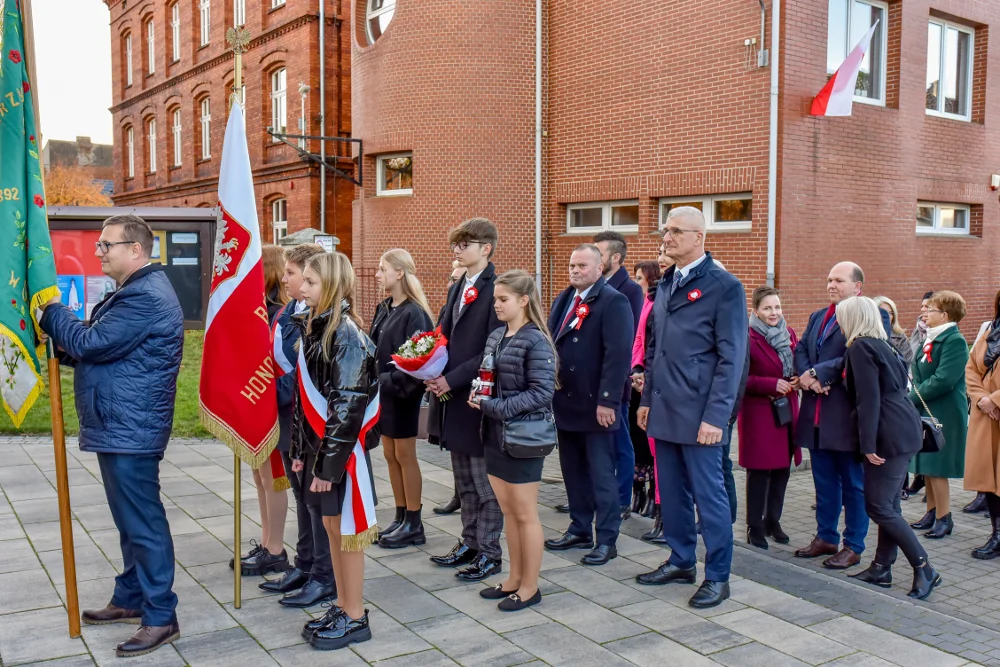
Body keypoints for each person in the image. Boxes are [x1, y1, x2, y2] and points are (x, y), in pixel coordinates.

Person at [41, 214, 183, 656]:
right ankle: (130, 597)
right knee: (129, 521)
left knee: (142, 522)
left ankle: (161, 616)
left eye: (107, 245)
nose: (98, 252)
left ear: (136, 249)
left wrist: (52, 311)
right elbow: (101, 349)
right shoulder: (134, 291)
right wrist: (72, 342)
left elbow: (90, 343)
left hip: (131, 427)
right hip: (122, 423)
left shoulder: (144, 296)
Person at [635, 206, 748, 608]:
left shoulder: (724, 286)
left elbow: (731, 358)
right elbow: (655, 349)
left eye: (676, 231)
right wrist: (647, 399)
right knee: (673, 493)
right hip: (665, 409)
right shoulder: (666, 283)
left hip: (702, 415)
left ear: (700, 237)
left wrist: (717, 417)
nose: (666, 238)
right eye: (665, 231)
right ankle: (681, 560)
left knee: (709, 496)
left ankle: (718, 576)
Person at [292, 252, 380, 651]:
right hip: (320, 450)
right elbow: (303, 397)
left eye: (310, 283)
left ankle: (356, 614)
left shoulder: (345, 336)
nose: (303, 290)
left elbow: (347, 407)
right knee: (331, 528)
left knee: (347, 533)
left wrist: (327, 469)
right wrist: (299, 449)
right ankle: (343, 605)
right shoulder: (315, 328)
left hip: (338, 455)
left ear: (331, 286)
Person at [838, 296, 941, 600]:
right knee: (889, 505)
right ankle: (882, 567)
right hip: (904, 428)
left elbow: (868, 400)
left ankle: (925, 567)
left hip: (888, 434)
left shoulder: (860, 347)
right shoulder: (885, 345)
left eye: (843, 317)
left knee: (879, 506)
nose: (841, 324)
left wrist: (868, 444)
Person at [792, 262, 889, 570]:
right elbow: (802, 349)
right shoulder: (818, 316)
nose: (831, 285)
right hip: (816, 416)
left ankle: (854, 545)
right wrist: (807, 375)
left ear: (858, 286)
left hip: (845, 416)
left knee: (853, 484)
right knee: (823, 482)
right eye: (829, 279)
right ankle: (826, 537)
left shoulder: (874, 314)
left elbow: (856, 352)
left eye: (839, 280)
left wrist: (820, 374)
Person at [471, 270, 557, 611]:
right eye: (495, 300)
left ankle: (530, 586)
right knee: (508, 511)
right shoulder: (497, 336)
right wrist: (480, 395)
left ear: (524, 300)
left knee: (525, 514)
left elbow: (541, 392)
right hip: (495, 432)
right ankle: (513, 579)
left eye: (503, 300)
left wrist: (495, 406)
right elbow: (488, 375)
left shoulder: (536, 340)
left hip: (523, 436)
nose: (497, 306)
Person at [544, 244, 633, 565]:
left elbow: (618, 355)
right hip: (566, 402)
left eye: (582, 265)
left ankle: (606, 539)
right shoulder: (565, 298)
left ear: (599, 269)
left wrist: (609, 400)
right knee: (573, 472)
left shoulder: (614, 301)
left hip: (597, 406)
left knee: (601, 475)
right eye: (572, 265)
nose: (575, 270)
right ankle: (580, 528)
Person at [427, 218, 504, 581]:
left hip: (475, 395)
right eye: (455, 245)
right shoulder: (460, 285)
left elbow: (492, 348)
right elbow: (445, 332)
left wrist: (451, 379)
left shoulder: (496, 288)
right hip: (453, 395)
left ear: (485, 249)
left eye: (464, 244)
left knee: (482, 481)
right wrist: (425, 363)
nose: (457, 250)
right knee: (463, 480)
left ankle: (490, 551)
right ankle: (469, 542)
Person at [260, 243, 336, 607]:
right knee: (301, 497)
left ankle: (323, 573)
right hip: (289, 420)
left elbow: (303, 376)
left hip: (307, 420)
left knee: (315, 502)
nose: (286, 280)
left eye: (294, 275)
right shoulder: (289, 312)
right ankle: (305, 565)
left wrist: (263, 393)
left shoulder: (321, 320)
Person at [371, 249, 435, 548]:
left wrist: (388, 382)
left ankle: (414, 521)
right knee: (389, 455)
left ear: (399, 273)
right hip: (384, 393)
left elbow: (419, 361)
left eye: (382, 269)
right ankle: (399, 515)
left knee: (405, 455)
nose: (377, 274)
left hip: (402, 393)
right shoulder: (385, 307)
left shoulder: (414, 312)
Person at [235, 244, 292, 577]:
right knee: (260, 475)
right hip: (258, 400)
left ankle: (276, 548)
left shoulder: (277, 312)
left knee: (274, 478)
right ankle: (267, 538)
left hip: (275, 404)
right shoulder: (257, 308)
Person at [739, 286, 801, 550]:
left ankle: (773, 520)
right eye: (767, 308)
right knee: (760, 471)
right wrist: (770, 384)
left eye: (777, 307)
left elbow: (795, 364)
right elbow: (740, 378)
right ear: (755, 310)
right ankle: (754, 525)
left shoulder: (789, 334)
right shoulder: (746, 336)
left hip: (786, 411)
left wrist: (799, 378)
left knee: (782, 470)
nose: (774, 313)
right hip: (760, 413)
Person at [908, 290, 968, 540]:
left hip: (944, 411)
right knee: (927, 466)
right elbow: (918, 369)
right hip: (926, 407)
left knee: (938, 466)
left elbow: (944, 379)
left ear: (944, 315)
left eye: (929, 309)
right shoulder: (930, 337)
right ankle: (931, 512)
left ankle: (945, 517)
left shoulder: (954, 341)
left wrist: (911, 397)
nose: (924, 312)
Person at [593, 231, 644, 519]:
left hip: (616, 383)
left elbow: (627, 337)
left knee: (621, 442)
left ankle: (622, 498)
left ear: (615, 257)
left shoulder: (630, 290)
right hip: (592, 381)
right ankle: (594, 494)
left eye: (599, 253)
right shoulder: (593, 285)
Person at [966, 289, 1000, 558]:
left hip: (995, 409)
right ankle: (997, 534)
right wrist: (981, 399)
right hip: (985, 417)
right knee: (989, 478)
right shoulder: (991, 331)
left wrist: (996, 399)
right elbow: (971, 369)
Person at [431, 262, 467, 516]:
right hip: (444, 382)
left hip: (463, 383)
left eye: (455, 280)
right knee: (453, 445)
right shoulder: (448, 307)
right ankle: (459, 493)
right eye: (450, 278)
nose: (449, 284)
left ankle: (465, 494)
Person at [630, 261, 662, 527]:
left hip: (657, 387)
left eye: (640, 278)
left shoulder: (658, 303)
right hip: (641, 384)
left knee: (654, 450)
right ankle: (641, 492)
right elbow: (640, 340)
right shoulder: (643, 304)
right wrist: (637, 368)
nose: (636, 282)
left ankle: (658, 502)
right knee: (641, 443)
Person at [905, 292, 935, 498]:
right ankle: (920, 477)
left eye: (928, 307)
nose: (923, 310)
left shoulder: (942, 335)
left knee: (930, 440)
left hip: (927, 395)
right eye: (922, 306)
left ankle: (927, 480)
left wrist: (914, 394)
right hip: (915, 388)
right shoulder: (918, 331)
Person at [874, 296, 913, 366]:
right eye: (883, 312)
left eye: (891, 313)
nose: (888, 316)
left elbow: (907, 362)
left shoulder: (900, 337)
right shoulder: (867, 335)